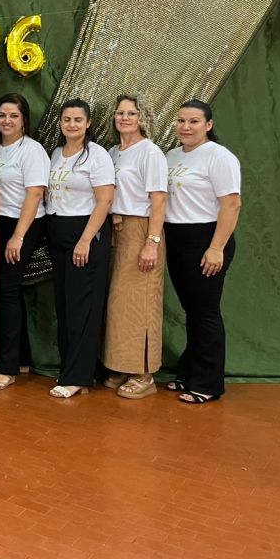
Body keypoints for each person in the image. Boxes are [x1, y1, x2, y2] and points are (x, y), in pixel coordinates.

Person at [164, 100, 241, 404]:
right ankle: (188, 372)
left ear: (208, 125)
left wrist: (216, 247)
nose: (186, 127)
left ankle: (208, 384)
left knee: (206, 312)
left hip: (207, 238)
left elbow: (231, 203)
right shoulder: (171, 156)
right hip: (177, 238)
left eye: (194, 121)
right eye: (181, 120)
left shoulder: (219, 157)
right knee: (192, 311)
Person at [46, 99, 115, 399]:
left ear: (88, 123)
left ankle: (78, 376)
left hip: (85, 234)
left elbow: (105, 200)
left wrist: (86, 239)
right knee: (64, 306)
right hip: (58, 232)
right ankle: (69, 368)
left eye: (77, 120)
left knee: (82, 308)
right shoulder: (55, 154)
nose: (71, 124)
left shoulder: (97, 156)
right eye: (66, 119)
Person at [0, 93, 49, 392]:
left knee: (6, 289)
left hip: (24, 223)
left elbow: (35, 195)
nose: (7, 121)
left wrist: (18, 236)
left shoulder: (32, 151)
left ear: (24, 120)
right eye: (2, 115)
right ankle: (20, 358)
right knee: (2, 291)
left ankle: (6, 368)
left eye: (14, 116)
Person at [102, 95, 168, 400]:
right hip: (115, 228)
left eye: (131, 113)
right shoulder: (113, 152)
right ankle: (123, 365)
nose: (124, 118)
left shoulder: (150, 152)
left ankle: (144, 373)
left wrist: (151, 243)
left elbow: (159, 199)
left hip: (140, 228)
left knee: (142, 300)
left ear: (142, 118)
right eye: (120, 113)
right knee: (120, 302)